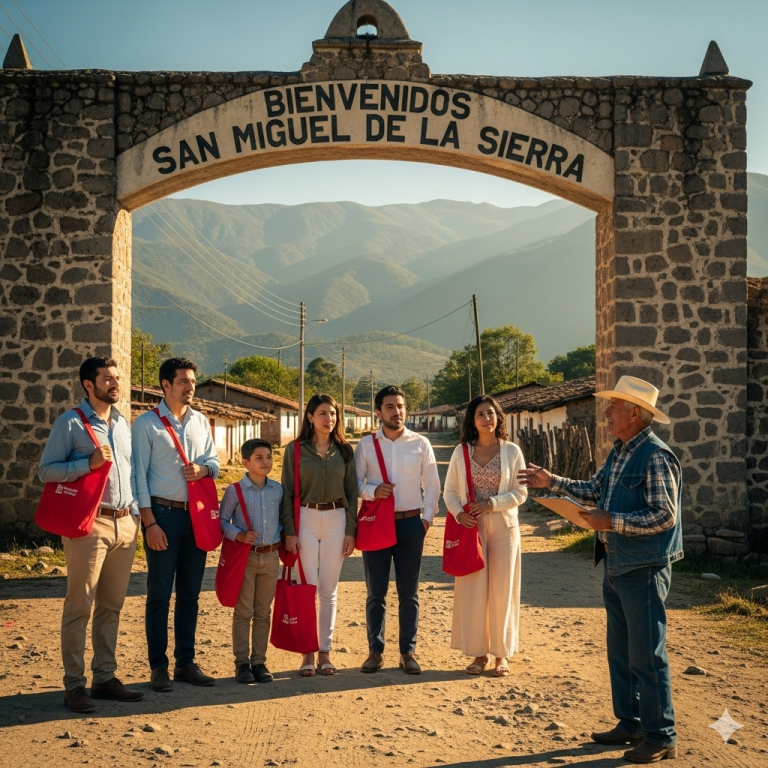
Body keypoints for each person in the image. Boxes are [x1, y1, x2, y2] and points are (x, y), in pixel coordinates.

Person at [518, 376, 682, 764]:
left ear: (635, 413)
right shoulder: (620, 450)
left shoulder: (656, 456)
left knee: (647, 653)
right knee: (622, 652)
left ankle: (661, 735)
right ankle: (630, 723)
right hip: (618, 563)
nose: (606, 412)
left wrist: (612, 522)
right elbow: (594, 489)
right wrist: (552, 482)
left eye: (614, 407)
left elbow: (665, 515)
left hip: (643, 566)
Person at [38, 356, 143, 714]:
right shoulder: (70, 423)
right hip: (90, 524)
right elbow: (46, 471)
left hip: (125, 524)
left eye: (117, 377)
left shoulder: (122, 424)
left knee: (111, 607)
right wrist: (87, 464)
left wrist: (137, 517)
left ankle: (104, 677)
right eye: (108, 379)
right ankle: (73, 685)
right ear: (89, 384)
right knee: (79, 606)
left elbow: (129, 474)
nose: (116, 383)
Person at [132, 357, 220, 692]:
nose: (190, 387)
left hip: (196, 515)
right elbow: (137, 476)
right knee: (158, 594)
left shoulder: (200, 421)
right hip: (163, 515)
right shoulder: (146, 425)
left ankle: (185, 662)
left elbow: (213, 460)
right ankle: (158, 667)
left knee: (190, 594)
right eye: (183, 381)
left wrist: (204, 471)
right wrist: (149, 522)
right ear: (165, 385)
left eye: (192, 381)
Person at [354, 385, 441, 675]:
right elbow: (354, 484)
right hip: (376, 525)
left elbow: (432, 485)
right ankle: (375, 653)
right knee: (375, 592)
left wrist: (425, 520)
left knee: (409, 592)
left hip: (410, 524)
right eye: (390, 406)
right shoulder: (366, 445)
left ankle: (408, 652)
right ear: (378, 412)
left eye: (401, 406)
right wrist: (372, 490)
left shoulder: (420, 443)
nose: (397, 411)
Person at [443, 395, 527, 677]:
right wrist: (459, 515)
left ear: (498, 417)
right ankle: (479, 654)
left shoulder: (512, 452)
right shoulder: (461, 452)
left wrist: (492, 503)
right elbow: (450, 493)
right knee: (475, 590)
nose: (486, 418)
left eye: (491, 413)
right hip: (472, 529)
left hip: (505, 528)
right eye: (480, 414)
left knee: (503, 590)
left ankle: (502, 655)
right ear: (472, 420)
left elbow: (521, 492)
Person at [281, 393, 357, 677]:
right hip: (307, 520)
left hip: (337, 519)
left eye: (333, 414)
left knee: (328, 590)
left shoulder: (346, 451)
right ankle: (307, 654)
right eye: (323, 413)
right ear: (310, 417)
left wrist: (351, 531)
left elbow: (352, 493)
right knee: (307, 588)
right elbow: (288, 492)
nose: (329, 419)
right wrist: (290, 531)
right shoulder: (295, 450)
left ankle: (325, 651)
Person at [219, 438, 282, 684]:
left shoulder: (277, 489)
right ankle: (242, 663)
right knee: (244, 611)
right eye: (259, 458)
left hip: (271, 557)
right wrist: (239, 535)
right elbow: (222, 521)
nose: (265, 461)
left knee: (264, 612)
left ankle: (259, 661)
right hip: (246, 558)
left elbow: (283, 520)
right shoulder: (235, 491)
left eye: (268, 457)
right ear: (246, 462)